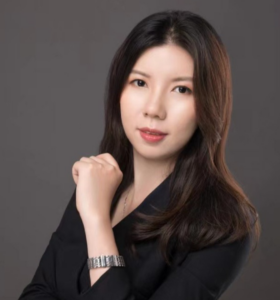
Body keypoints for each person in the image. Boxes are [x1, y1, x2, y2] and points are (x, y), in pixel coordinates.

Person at [18, 9, 261, 300]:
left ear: (209, 103)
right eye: (140, 83)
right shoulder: (100, 178)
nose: (153, 109)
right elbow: (37, 291)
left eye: (181, 89)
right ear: (118, 90)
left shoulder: (224, 226)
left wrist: (96, 220)